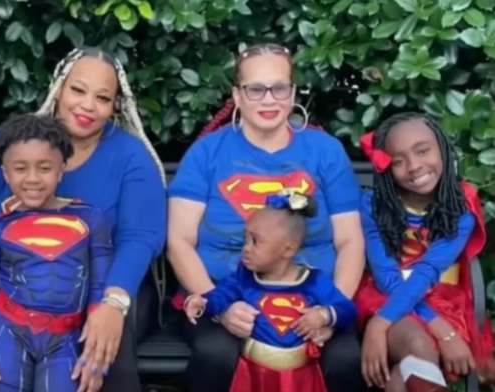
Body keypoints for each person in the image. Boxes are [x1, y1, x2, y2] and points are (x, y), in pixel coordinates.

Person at [0, 46, 166, 392]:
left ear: (115, 105)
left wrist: (112, 304)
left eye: (103, 97)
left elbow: (140, 238)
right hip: (11, 288)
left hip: (104, 286)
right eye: (78, 90)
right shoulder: (14, 142)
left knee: (106, 357)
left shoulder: (129, 155)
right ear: (59, 88)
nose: (88, 105)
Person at [166, 43, 366, 392]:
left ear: (292, 93)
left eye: (279, 88)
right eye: (255, 89)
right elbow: (179, 242)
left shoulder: (325, 151)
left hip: (312, 299)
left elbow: (350, 240)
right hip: (224, 293)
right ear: (237, 96)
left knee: (344, 359)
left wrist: (332, 313)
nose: (269, 99)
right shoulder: (207, 153)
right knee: (216, 354)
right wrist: (220, 307)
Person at [0, 114, 111, 392]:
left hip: (66, 337)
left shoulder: (91, 220)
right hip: (7, 331)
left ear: (61, 169)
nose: (32, 179)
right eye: (20, 168)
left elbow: (100, 293)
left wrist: (96, 359)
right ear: (5, 173)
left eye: (44, 168)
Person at [354, 112, 495, 391]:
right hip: (385, 296)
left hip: (444, 301)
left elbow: (427, 271)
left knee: (400, 379)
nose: (414, 166)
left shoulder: (459, 208)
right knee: (417, 343)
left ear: (441, 148)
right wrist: (383, 321)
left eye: (422, 151)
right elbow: (385, 276)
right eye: (398, 161)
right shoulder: (375, 206)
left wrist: (384, 325)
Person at [184, 191, 356, 392]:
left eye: (255, 241)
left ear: (288, 249)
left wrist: (323, 315)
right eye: (245, 239)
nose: (246, 248)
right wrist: (202, 302)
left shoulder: (313, 281)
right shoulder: (244, 277)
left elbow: (347, 309)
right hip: (252, 374)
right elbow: (221, 296)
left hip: (299, 376)